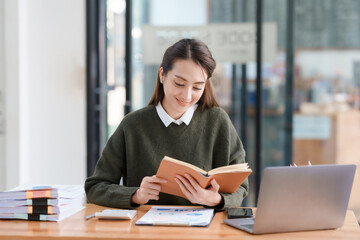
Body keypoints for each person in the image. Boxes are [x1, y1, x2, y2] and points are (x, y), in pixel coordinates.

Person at [85, 38, 249, 210]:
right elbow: (95, 187)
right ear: (162, 75)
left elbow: (241, 188)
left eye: (197, 87)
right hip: (144, 232)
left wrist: (215, 199)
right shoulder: (132, 125)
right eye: (179, 83)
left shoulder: (218, 121)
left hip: (203, 232)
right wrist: (136, 195)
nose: (186, 96)